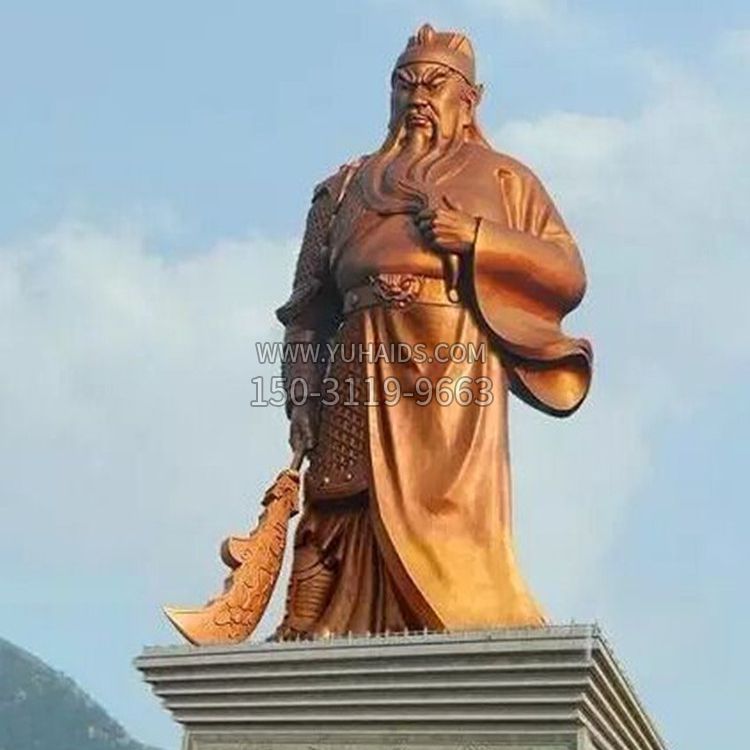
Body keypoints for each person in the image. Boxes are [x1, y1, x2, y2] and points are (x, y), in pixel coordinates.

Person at [274, 23, 592, 638]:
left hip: (454, 367)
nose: (418, 96)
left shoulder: (507, 181)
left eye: (435, 84)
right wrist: (301, 395)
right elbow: (306, 313)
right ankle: (316, 620)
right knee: (339, 494)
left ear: (470, 100)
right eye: (405, 84)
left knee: (449, 511)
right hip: (359, 356)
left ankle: (460, 615)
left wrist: (479, 238)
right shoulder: (341, 190)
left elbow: (566, 271)